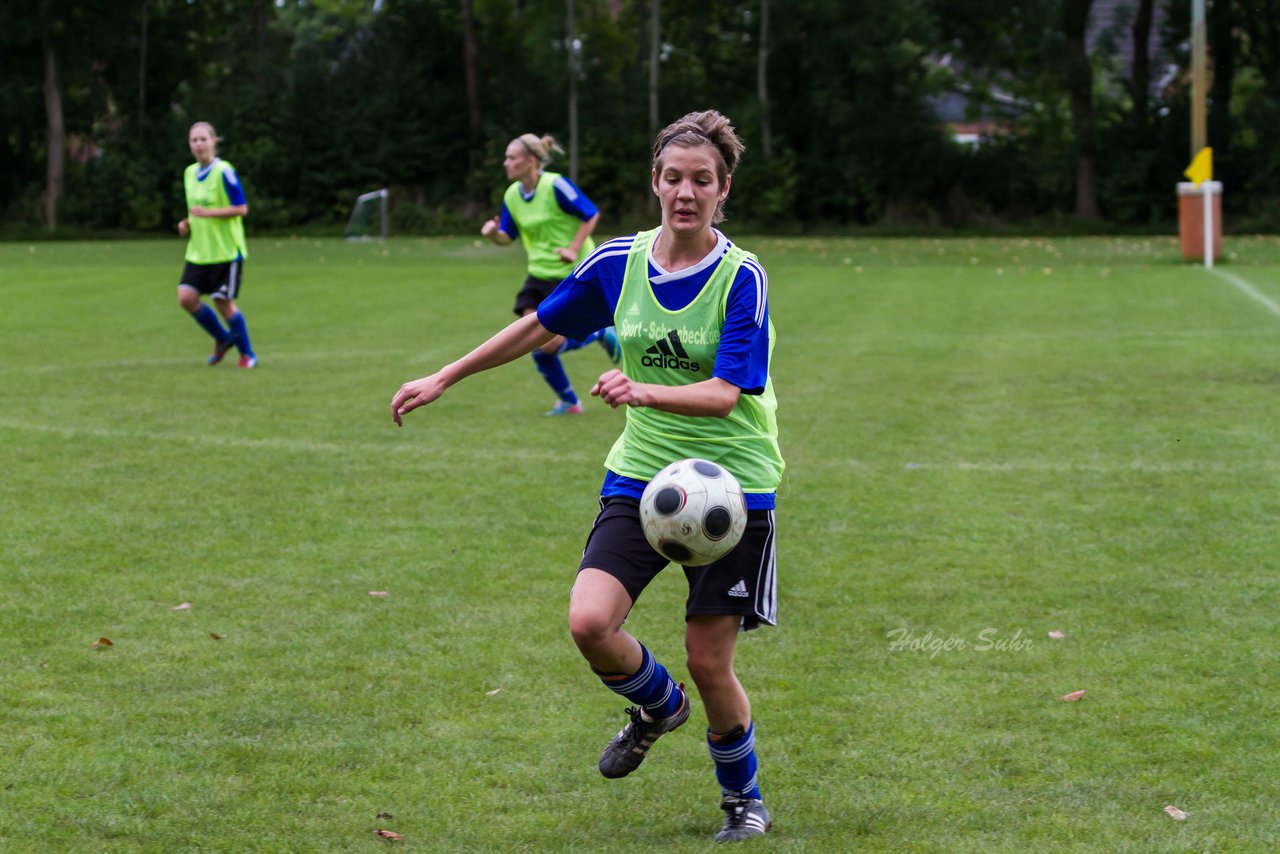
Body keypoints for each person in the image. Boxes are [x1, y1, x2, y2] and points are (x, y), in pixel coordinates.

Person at [392, 110, 781, 842]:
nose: (685, 192)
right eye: (673, 177)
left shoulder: (741, 277)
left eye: (702, 180)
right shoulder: (619, 261)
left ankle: (742, 799)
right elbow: (544, 322)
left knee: (708, 659)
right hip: (641, 478)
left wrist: (645, 390)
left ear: (723, 188)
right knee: (589, 622)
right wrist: (447, 375)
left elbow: (729, 393)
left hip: (731, 487)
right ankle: (658, 708)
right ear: (655, 183)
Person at [480, 132, 619, 415]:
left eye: (511, 157)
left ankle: (600, 333)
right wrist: (494, 234)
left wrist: (573, 247)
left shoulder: (556, 185)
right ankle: (569, 401)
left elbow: (590, 214)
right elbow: (508, 236)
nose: (505, 163)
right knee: (533, 341)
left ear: (530, 161)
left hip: (572, 271)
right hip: (538, 274)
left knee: (550, 344)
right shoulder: (512, 195)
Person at [176, 121, 258, 368]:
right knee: (186, 298)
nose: (199, 144)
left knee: (223, 303)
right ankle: (222, 339)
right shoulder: (189, 173)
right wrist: (187, 223)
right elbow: (195, 211)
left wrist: (208, 214)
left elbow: (241, 208)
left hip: (225, 251)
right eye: (194, 140)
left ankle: (247, 354)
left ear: (213, 141)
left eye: (203, 139)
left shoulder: (224, 171)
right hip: (199, 252)